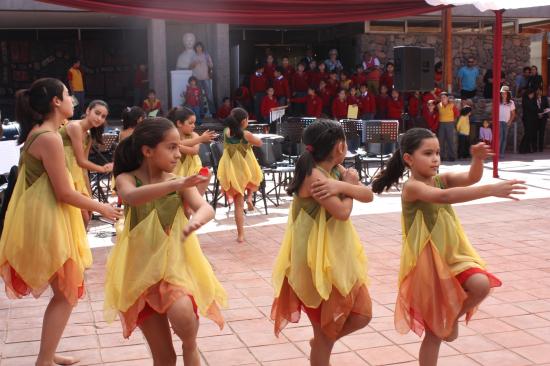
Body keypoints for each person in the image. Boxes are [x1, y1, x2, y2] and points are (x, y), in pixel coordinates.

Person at [372, 128, 525, 366]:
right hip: (429, 265)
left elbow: (471, 178)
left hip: (453, 255)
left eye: (438, 153)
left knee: (481, 285)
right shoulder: (412, 188)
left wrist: (476, 159)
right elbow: (445, 197)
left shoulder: (441, 179)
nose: (435, 159)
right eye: (428, 153)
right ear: (409, 159)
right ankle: (446, 322)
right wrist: (491, 190)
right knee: (434, 334)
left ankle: (451, 316)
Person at [0, 78, 122, 366]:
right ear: (56, 101)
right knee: (66, 294)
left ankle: (48, 353)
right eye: (68, 95)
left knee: (63, 292)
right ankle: (44, 360)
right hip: (48, 222)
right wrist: (100, 206)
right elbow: (64, 192)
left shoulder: (44, 133)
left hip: (47, 217)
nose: (72, 100)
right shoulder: (49, 137)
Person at [105, 118, 227, 365]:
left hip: (175, 268)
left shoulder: (178, 182)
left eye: (178, 147)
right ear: (148, 151)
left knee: (184, 320)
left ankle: (190, 346)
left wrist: (196, 220)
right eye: (171, 147)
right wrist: (177, 183)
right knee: (164, 357)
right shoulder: (127, 179)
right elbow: (131, 196)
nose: (177, 154)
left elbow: (206, 208)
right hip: (140, 273)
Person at [271, 120, 373, 366]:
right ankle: (321, 345)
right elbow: (342, 212)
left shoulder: (335, 171)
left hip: (336, 259)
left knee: (362, 315)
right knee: (325, 334)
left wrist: (343, 184)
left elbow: (368, 195)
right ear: (340, 146)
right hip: (314, 263)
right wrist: (349, 187)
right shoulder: (315, 176)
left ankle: (320, 343)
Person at [60, 99, 113, 226]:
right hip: (64, 174)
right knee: (78, 218)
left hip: (76, 176)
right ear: (88, 111)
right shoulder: (74, 127)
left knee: (86, 215)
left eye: (103, 116)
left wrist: (89, 194)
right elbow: (81, 161)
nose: (99, 118)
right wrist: (103, 168)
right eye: (97, 113)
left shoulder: (88, 135)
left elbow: (83, 168)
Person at [217, 108, 263, 242]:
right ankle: (250, 197)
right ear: (244, 121)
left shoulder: (226, 132)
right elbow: (259, 143)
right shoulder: (246, 134)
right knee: (254, 180)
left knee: (238, 205)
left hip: (231, 170)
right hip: (245, 168)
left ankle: (240, 235)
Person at [190, 42, 214, 116]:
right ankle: (201, 113)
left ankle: (213, 112)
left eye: (200, 47)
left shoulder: (206, 55)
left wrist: (208, 63)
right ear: (195, 48)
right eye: (197, 47)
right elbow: (190, 67)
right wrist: (195, 63)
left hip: (206, 78)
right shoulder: (193, 56)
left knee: (209, 96)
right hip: (197, 79)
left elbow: (211, 65)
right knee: (199, 97)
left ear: (202, 48)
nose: (199, 48)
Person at [437, 92, 459, 161]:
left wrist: (452, 120)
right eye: (441, 97)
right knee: (441, 140)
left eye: (444, 97)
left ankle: (452, 156)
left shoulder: (452, 105)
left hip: (450, 123)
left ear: (447, 98)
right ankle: (441, 156)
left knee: (450, 140)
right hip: (441, 124)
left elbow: (457, 114)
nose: (443, 99)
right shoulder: (438, 105)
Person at [498, 85, 516, 157]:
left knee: (504, 137)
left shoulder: (511, 102)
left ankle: (502, 153)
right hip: (499, 121)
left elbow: (513, 114)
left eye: (505, 93)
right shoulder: (498, 101)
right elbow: (494, 112)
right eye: (502, 93)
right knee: (500, 137)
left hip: (506, 122)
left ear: (508, 94)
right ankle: (497, 152)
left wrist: (510, 121)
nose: (503, 94)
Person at [535, 87, 549, 152]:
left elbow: (548, 107)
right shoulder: (534, 98)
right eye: (537, 91)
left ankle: (540, 148)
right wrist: (538, 114)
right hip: (536, 118)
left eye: (540, 91)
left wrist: (544, 112)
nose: (539, 92)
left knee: (542, 133)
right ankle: (534, 147)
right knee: (534, 133)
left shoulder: (544, 98)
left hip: (543, 118)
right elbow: (533, 108)